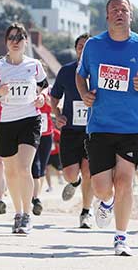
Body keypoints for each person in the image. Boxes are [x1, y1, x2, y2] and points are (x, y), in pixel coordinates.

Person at [76, 0, 138, 256]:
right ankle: (106, 201)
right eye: (114, 10)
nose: (119, 13)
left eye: (123, 10)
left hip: (132, 125)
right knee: (102, 186)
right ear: (106, 16)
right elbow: (80, 76)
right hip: (100, 125)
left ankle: (121, 237)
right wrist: (83, 94)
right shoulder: (93, 45)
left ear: (131, 16)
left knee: (125, 181)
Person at [0, 23, 48, 235]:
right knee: (11, 172)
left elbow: (45, 85)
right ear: (6, 42)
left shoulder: (34, 65)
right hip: (6, 122)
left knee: (23, 168)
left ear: (25, 42)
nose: (15, 41)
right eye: (11, 37)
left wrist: (42, 97)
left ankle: (28, 215)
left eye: (19, 38)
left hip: (30, 119)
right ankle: (18, 213)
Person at [50, 33, 94, 228]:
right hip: (70, 129)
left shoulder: (99, 71)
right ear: (76, 49)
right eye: (80, 46)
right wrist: (57, 114)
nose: (83, 50)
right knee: (70, 173)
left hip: (93, 130)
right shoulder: (66, 71)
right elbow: (54, 96)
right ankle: (73, 183)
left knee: (88, 171)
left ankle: (86, 211)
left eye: (87, 47)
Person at [31, 95, 55, 216]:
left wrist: (50, 102)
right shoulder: (30, 87)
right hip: (32, 132)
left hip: (47, 133)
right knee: (36, 165)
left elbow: (57, 107)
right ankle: (35, 198)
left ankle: (35, 196)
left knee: (42, 167)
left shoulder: (49, 90)